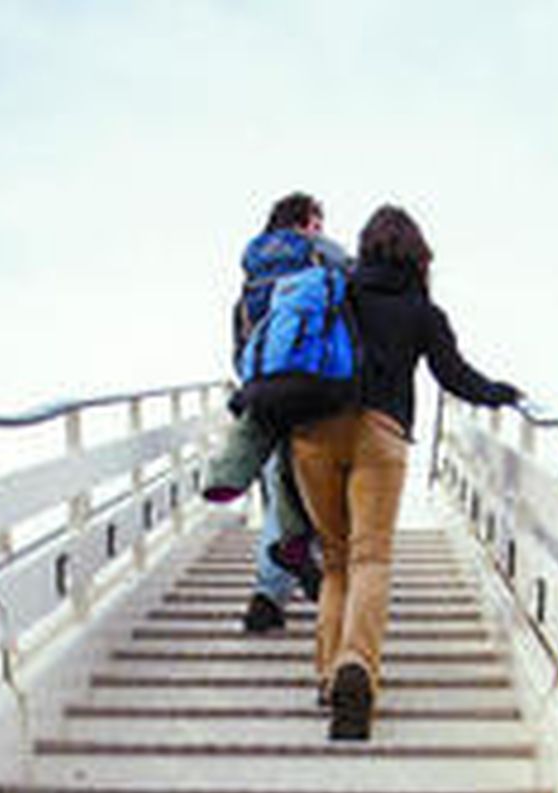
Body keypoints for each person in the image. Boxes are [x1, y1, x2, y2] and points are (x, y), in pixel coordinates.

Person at [291, 205, 520, 739]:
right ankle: (358, 667)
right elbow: (456, 378)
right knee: (371, 555)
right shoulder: (421, 311)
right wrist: (503, 394)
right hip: (380, 433)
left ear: (365, 248)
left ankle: (327, 675)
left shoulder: (336, 290)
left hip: (313, 432)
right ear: (418, 255)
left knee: (335, 561)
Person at [205, 192, 349, 631]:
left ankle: (268, 596)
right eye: (317, 222)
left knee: (276, 488)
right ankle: (324, 584)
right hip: (313, 391)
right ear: (307, 222)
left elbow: (239, 342)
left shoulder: (252, 274)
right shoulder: (322, 256)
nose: (320, 230)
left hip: (262, 394)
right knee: (316, 489)